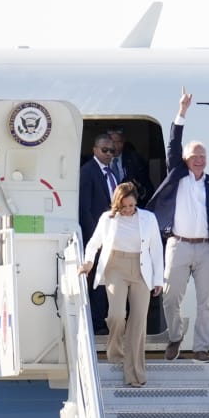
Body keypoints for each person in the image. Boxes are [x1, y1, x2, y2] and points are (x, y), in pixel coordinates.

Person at [149, 88, 209, 362]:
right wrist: (182, 112)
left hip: (205, 249)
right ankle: (175, 337)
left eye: (203, 156)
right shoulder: (177, 174)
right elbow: (174, 143)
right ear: (185, 160)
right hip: (178, 245)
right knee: (171, 297)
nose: (200, 159)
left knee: (205, 302)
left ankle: (200, 348)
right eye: (194, 156)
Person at [81, 183, 164, 388]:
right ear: (117, 204)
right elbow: (94, 243)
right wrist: (89, 262)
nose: (128, 209)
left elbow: (156, 249)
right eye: (124, 206)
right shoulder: (107, 219)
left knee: (138, 322)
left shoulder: (148, 218)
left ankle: (135, 372)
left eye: (131, 205)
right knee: (117, 315)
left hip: (141, 269)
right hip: (115, 267)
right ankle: (115, 351)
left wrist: (158, 279)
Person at [79, 134, 120, 333]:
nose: (109, 154)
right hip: (97, 236)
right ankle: (96, 323)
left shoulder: (111, 173)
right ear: (95, 150)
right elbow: (84, 208)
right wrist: (94, 238)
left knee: (107, 278)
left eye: (112, 151)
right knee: (97, 279)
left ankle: (104, 319)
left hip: (113, 236)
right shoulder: (87, 172)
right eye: (105, 150)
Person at [108, 127, 153, 206]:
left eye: (119, 142)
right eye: (112, 142)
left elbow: (147, 188)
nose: (115, 146)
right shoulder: (101, 161)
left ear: (123, 142)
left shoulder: (135, 160)